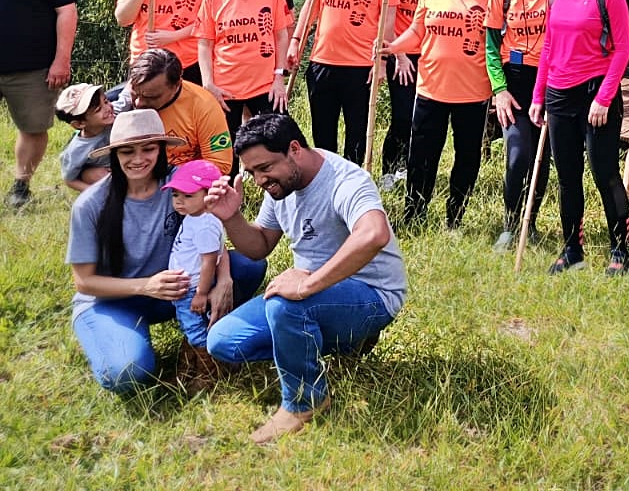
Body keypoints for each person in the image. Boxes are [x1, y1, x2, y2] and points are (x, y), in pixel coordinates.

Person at [206, 112, 406, 445]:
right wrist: (232, 218)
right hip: (320, 297)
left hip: (373, 295)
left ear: (295, 149)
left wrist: (308, 285)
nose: (259, 180)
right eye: (252, 171)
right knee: (224, 341)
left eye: (265, 168)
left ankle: (304, 400)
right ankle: (341, 342)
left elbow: (374, 234)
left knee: (286, 305)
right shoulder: (281, 187)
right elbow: (259, 246)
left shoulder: (345, 180)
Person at [67, 108, 264, 395]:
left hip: (175, 289)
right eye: (127, 152)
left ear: (162, 149)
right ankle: (120, 337)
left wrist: (223, 279)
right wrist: (145, 286)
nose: (138, 159)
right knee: (127, 373)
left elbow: (209, 229)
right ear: (114, 155)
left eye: (148, 149)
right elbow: (84, 281)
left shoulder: (180, 184)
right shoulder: (90, 205)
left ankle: (202, 346)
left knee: (248, 266)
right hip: (113, 299)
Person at [531, 0, 629, 275]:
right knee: (567, 176)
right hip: (559, 94)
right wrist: (538, 95)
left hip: (595, 94)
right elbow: (548, 46)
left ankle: (621, 250)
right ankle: (572, 248)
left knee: (604, 172)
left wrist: (604, 98)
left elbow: (623, 49)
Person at [382, 0, 493, 228]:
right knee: (421, 157)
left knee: (467, 159)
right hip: (430, 88)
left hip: (473, 92)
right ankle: (414, 215)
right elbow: (418, 31)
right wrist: (393, 47)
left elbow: (498, 41)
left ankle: (455, 218)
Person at [291, 0, 387, 164]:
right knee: (323, 134)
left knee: (357, 136)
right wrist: (296, 41)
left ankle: (351, 190)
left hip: (361, 66)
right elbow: (311, 5)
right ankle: (325, 186)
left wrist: (383, 62)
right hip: (322, 61)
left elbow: (386, 21)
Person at [0, 0, 78, 209]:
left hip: (32, 68)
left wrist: (62, 59)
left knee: (33, 128)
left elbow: (67, 12)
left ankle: (21, 186)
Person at [486, 0, 555, 251]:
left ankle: (532, 220)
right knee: (517, 155)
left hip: (551, 80)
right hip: (514, 82)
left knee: (542, 158)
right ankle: (509, 225)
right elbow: (490, 44)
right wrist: (499, 90)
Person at [196, 0, 290, 138]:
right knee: (226, 151)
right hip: (224, 88)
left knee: (279, 142)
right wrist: (208, 83)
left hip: (266, 85)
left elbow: (281, 36)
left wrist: (278, 77)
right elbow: (205, 43)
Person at [378, 0, 443, 189]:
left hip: (432, 56)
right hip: (402, 55)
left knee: (422, 118)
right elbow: (387, 21)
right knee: (403, 116)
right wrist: (401, 55)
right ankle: (389, 171)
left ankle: (409, 166)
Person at [115, 47, 234, 171]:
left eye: (151, 97)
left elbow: (220, 164)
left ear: (176, 85)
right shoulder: (115, 105)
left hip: (185, 184)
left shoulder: (204, 106)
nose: (139, 103)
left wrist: (174, 180)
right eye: (135, 94)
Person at [163, 159, 229, 360]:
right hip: (187, 285)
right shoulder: (195, 217)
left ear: (210, 195)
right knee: (193, 323)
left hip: (192, 288)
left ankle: (208, 365)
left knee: (194, 327)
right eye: (175, 195)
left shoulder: (205, 225)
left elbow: (209, 261)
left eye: (188, 195)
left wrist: (201, 293)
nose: (179, 201)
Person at [56, 82, 115, 193]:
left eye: (106, 101)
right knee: (94, 175)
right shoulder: (76, 150)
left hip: (125, 164)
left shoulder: (114, 115)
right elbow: (69, 179)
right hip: (105, 172)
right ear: (79, 124)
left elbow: (125, 97)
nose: (108, 108)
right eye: (98, 109)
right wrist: (92, 193)